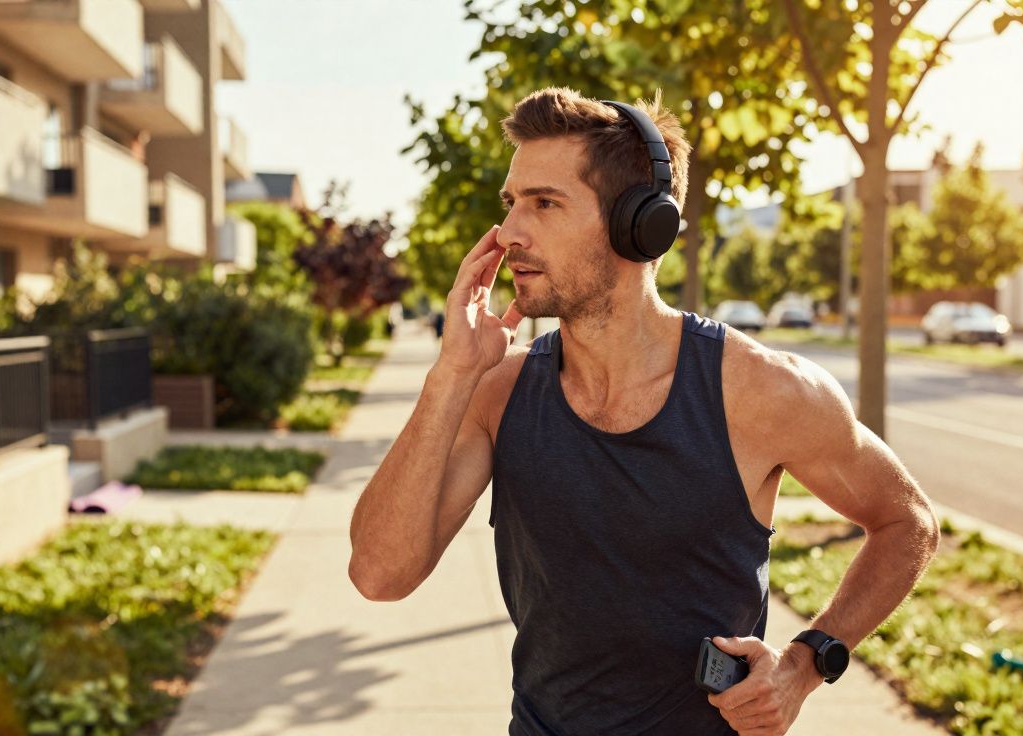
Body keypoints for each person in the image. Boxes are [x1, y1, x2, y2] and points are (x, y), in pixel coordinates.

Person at [348, 87, 940, 735]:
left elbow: (904, 520)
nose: (509, 233)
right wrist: (452, 373)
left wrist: (805, 664)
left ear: (640, 224)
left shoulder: (760, 391)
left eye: (545, 203)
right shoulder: (498, 391)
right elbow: (380, 574)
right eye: (511, 203)